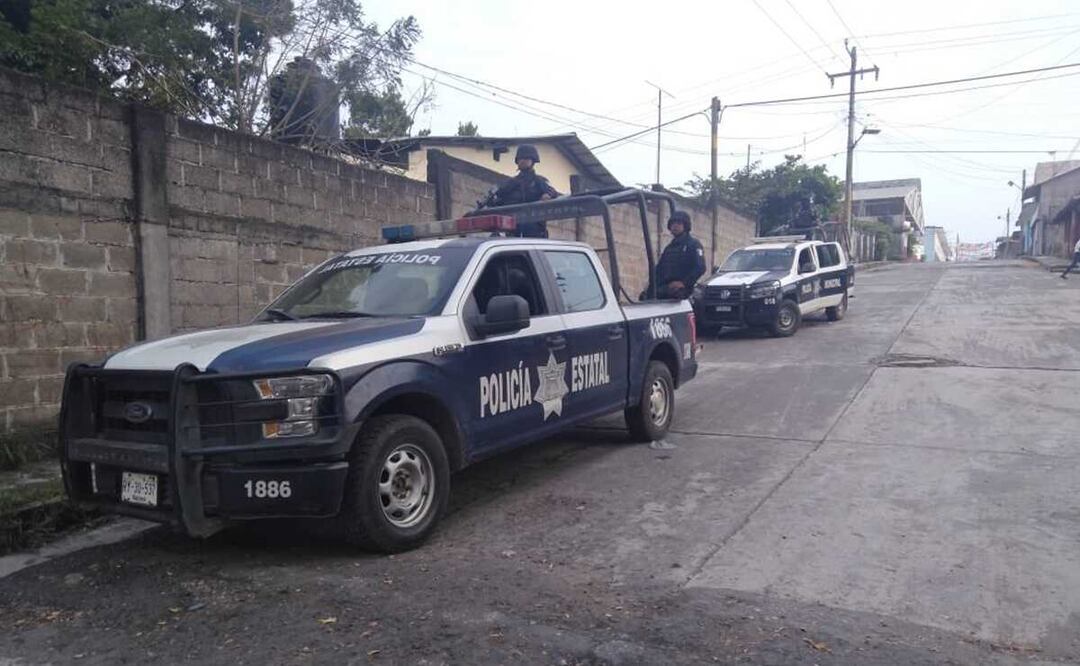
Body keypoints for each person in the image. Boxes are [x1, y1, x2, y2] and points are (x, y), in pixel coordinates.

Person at [487, 144, 560, 238]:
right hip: (513, 231)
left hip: (534, 231)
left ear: (533, 161)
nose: (522, 161)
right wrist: (492, 201)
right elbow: (498, 199)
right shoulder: (511, 183)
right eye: (520, 159)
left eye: (526, 158)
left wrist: (548, 195)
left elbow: (553, 192)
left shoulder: (539, 181)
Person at [644, 211, 706, 299]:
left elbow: (700, 267)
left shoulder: (693, 244)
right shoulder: (669, 248)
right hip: (665, 287)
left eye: (679, 223)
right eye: (673, 223)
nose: (675, 226)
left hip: (681, 290)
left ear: (685, 225)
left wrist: (684, 283)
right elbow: (659, 268)